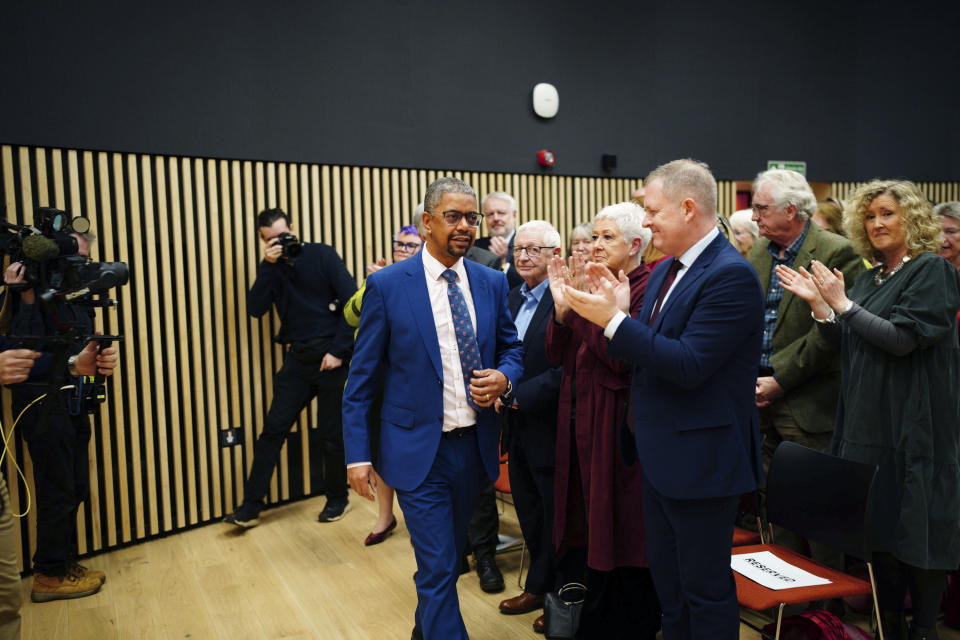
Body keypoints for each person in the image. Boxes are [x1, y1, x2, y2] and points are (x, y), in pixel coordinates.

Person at [563, 159, 764, 639]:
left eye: (652, 211)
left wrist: (611, 321)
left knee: (705, 592)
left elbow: (689, 364)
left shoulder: (729, 275)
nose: (646, 221)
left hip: (701, 462)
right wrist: (618, 314)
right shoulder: (665, 270)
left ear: (688, 208)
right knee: (670, 591)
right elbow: (646, 353)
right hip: (657, 455)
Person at [776, 179, 960, 640]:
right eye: (870, 216)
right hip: (866, 422)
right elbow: (852, 343)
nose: (877, 223)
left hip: (912, 424)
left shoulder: (931, 270)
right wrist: (823, 309)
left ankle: (922, 629)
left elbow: (902, 341)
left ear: (912, 218)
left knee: (916, 531)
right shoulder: (870, 276)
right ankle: (888, 621)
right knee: (879, 535)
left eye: (887, 214)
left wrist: (842, 305)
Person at [342, 177, 523, 640]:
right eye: (453, 217)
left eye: (471, 218)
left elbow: (511, 348)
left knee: (445, 563)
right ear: (426, 222)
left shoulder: (490, 281)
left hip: (475, 448)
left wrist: (505, 376)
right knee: (440, 566)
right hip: (415, 452)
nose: (464, 226)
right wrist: (357, 456)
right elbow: (360, 383)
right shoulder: (385, 286)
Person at [545, 202, 660, 639]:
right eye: (594, 236)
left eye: (606, 237)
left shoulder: (647, 287)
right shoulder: (594, 279)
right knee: (588, 528)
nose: (595, 245)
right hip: (579, 420)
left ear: (635, 245)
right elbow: (557, 355)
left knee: (623, 532)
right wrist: (562, 310)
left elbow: (622, 363)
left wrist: (590, 313)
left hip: (618, 427)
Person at [4, 233, 119, 603]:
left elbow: (84, 348)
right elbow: (16, 359)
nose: (78, 268)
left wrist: (101, 359)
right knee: (57, 491)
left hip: (74, 402)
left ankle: (63, 565)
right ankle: (48, 575)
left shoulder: (81, 298)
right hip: (41, 407)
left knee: (76, 488)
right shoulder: (27, 296)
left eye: (84, 259)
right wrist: (74, 363)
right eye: (71, 259)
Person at [226, 208, 357, 528]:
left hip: (332, 358)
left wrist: (339, 351)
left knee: (331, 435)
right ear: (262, 240)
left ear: (294, 229)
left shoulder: (321, 254)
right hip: (298, 359)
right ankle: (250, 506)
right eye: (271, 239)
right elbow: (256, 309)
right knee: (272, 430)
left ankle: (337, 499)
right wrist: (268, 265)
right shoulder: (272, 268)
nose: (280, 242)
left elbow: (353, 302)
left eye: (284, 236)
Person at [748, 170, 864, 468]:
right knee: (760, 494)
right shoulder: (760, 250)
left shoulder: (837, 251)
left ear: (790, 211)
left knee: (807, 496)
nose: (753, 217)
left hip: (807, 401)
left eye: (761, 208)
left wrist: (780, 380)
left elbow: (833, 331)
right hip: (755, 392)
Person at [494, 221, 563, 632]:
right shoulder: (512, 294)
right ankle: (538, 585)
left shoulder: (562, 298)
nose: (523, 257)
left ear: (555, 254)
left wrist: (518, 394)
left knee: (555, 515)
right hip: (514, 423)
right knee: (530, 511)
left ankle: (559, 598)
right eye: (519, 249)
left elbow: (567, 368)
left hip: (551, 422)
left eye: (534, 250)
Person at [343, 225, 422, 545]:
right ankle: (385, 515)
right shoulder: (379, 278)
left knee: (399, 450)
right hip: (372, 377)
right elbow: (351, 315)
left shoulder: (419, 280)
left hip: (402, 380)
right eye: (400, 244)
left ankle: (415, 519)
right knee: (377, 448)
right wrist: (375, 283)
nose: (403, 250)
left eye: (411, 246)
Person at [475, 191, 523, 288]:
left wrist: (503, 263)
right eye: (490, 214)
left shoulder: (527, 245)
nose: (496, 218)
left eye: (501, 213)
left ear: (514, 215)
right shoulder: (476, 247)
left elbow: (530, 283)